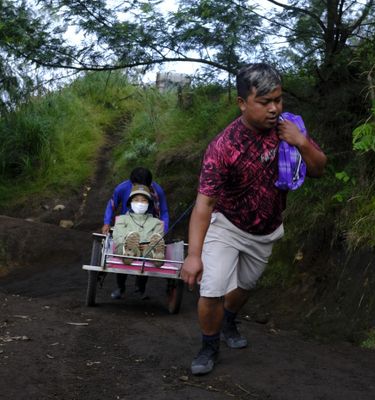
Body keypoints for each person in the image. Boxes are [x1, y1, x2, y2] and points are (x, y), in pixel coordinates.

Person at [180, 63, 327, 375]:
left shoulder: (288, 129)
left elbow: (319, 169)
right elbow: (204, 203)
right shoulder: (223, 147)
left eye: (278, 99)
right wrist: (194, 255)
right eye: (264, 102)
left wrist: (300, 141)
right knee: (212, 290)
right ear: (242, 102)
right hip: (229, 226)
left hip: (267, 229)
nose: (274, 108)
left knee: (245, 287)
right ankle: (209, 346)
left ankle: (229, 320)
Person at [102, 167, 169, 299]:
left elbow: (164, 211)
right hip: (127, 223)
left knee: (148, 249)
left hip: (148, 224)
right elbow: (112, 205)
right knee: (126, 245)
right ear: (131, 183)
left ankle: (140, 287)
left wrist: (163, 230)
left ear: (150, 185)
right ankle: (121, 287)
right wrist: (106, 222)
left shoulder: (157, 191)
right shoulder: (122, 188)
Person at [112, 184, 165, 266]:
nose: (140, 203)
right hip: (125, 246)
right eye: (136, 200)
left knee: (151, 248)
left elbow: (157, 238)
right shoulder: (121, 219)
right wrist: (132, 245)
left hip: (147, 250)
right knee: (121, 246)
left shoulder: (157, 222)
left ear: (148, 203)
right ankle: (128, 252)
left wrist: (148, 245)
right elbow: (118, 237)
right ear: (131, 203)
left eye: (143, 200)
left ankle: (156, 256)